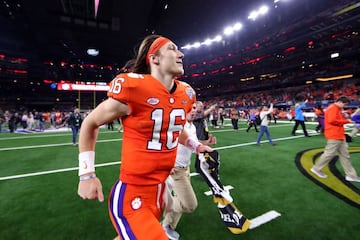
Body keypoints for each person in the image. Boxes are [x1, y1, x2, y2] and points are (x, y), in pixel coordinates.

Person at [77, 35, 213, 240]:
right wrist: (87, 175)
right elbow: (90, 123)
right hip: (133, 195)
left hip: (161, 192)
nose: (181, 53)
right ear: (154, 58)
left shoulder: (186, 93)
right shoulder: (133, 88)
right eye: (172, 49)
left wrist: (196, 145)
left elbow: (173, 127)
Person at [162, 103, 216, 240]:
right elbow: (164, 143)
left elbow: (193, 143)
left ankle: (168, 225)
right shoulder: (178, 125)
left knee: (181, 200)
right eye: (190, 109)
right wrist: (167, 163)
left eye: (194, 109)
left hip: (185, 168)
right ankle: (163, 204)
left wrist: (207, 143)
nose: (193, 111)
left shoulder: (191, 126)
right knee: (189, 205)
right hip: (176, 170)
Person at [311, 96, 360, 182]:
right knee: (329, 153)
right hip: (334, 135)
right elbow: (332, 120)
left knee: (345, 155)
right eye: (345, 104)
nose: (344, 106)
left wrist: (346, 120)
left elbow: (335, 120)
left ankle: (351, 175)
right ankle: (316, 168)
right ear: (341, 102)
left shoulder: (336, 109)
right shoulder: (333, 108)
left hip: (339, 135)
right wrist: (347, 121)